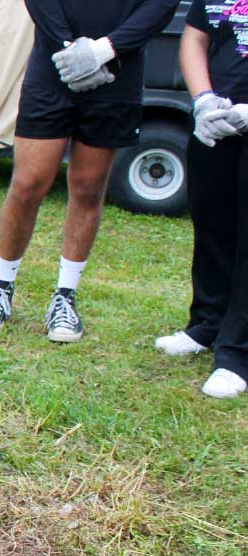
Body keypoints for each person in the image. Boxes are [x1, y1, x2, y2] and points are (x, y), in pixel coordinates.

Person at [0, 0, 179, 343]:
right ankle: (1, 288)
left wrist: (101, 51)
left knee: (88, 187)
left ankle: (65, 296)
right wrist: (70, 49)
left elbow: (160, 5)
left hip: (117, 72)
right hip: (53, 66)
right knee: (28, 183)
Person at [154, 0, 248, 399]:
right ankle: (206, 325)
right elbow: (195, 37)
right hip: (218, 121)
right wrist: (203, 100)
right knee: (212, 223)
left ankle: (237, 354)